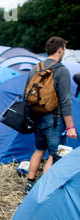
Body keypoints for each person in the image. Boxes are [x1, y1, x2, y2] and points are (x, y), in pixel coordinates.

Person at [25, 36, 77, 193]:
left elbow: (25, 96)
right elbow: (65, 101)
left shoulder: (35, 68)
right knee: (54, 154)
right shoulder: (61, 71)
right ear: (60, 50)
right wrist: (70, 127)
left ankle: (29, 184)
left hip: (36, 117)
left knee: (38, 149)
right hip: (53, 119)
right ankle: (44, 190)